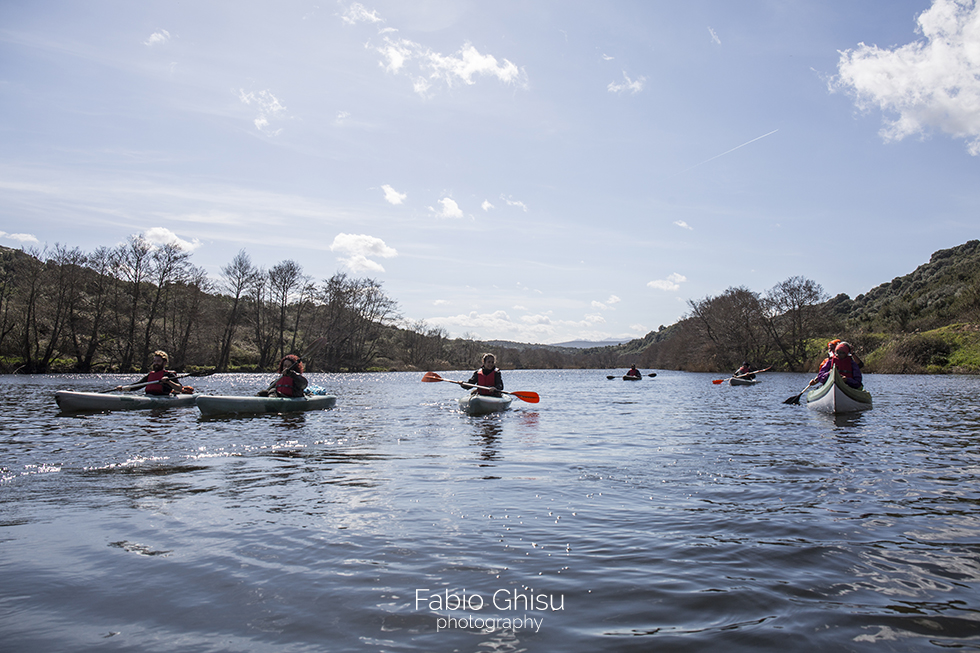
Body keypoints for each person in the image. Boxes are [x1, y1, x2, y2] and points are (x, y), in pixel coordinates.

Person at [116, 350, 190, 395]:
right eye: (154, 361)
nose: (155, 363)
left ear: (164, 363)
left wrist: (169, 382)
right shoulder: (150, 375)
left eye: (158, 361)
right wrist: (123, 388)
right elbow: (138, 385)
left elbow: (179, 388)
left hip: (163, 397)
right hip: (149, 397)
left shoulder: (169, 375)